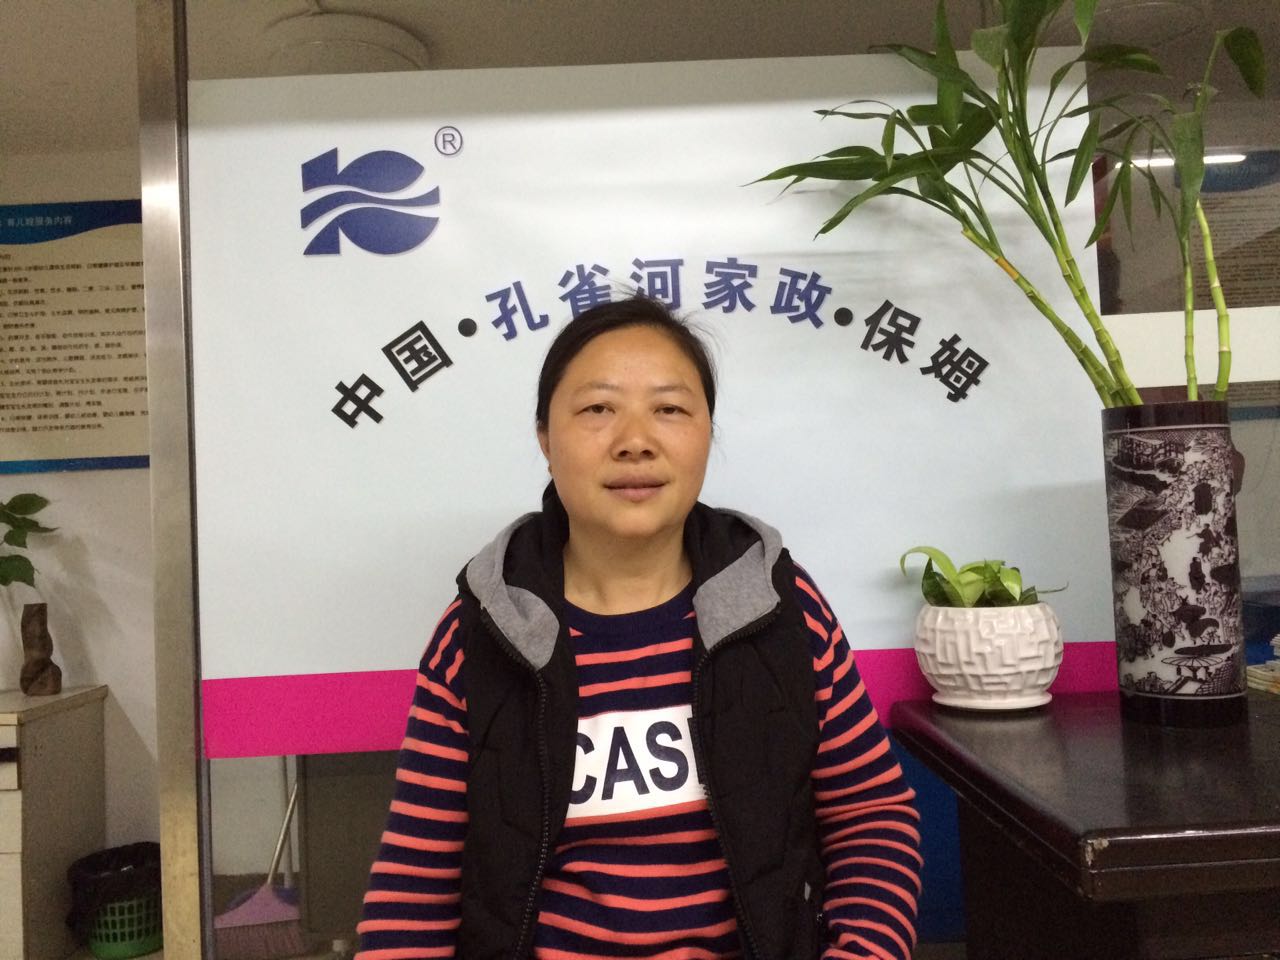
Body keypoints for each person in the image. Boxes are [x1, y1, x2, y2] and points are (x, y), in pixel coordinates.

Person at [356, 295, 922, 960]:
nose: (635, 440)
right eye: (598, 409)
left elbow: (872, 822)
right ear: (545, 439)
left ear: (707, 433)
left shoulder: (780, 610)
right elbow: (413, 891)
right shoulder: (481, 633)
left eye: (670, 409)